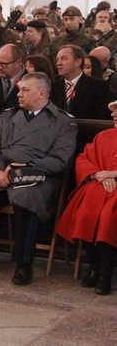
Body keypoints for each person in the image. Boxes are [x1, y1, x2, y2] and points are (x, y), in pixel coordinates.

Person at [0, 73, 77, 286]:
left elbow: (60, 160)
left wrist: (28, 166)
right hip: (2, 175)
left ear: (42, 93)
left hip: (37, 178)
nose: (18, 94)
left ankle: (24, 264)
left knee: (25, 201)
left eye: (25, 90)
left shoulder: (63, 121)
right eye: (19, 89)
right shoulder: (9, 116)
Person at [56, 99, 117, 295]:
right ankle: (95, 267)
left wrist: (113, 174)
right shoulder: (103, 136)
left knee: (108, 217)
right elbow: (84, 158)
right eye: (114, 112)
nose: (113, 116)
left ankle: (105, 275)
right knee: (86, 213)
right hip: (98, 186)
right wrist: (97, 174)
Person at [51, 45, 111, 120]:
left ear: (77, 62)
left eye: (64, 59)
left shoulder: (98, 86)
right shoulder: (53, 87)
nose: (58, 63)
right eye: (57, 59)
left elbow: (102, 118)